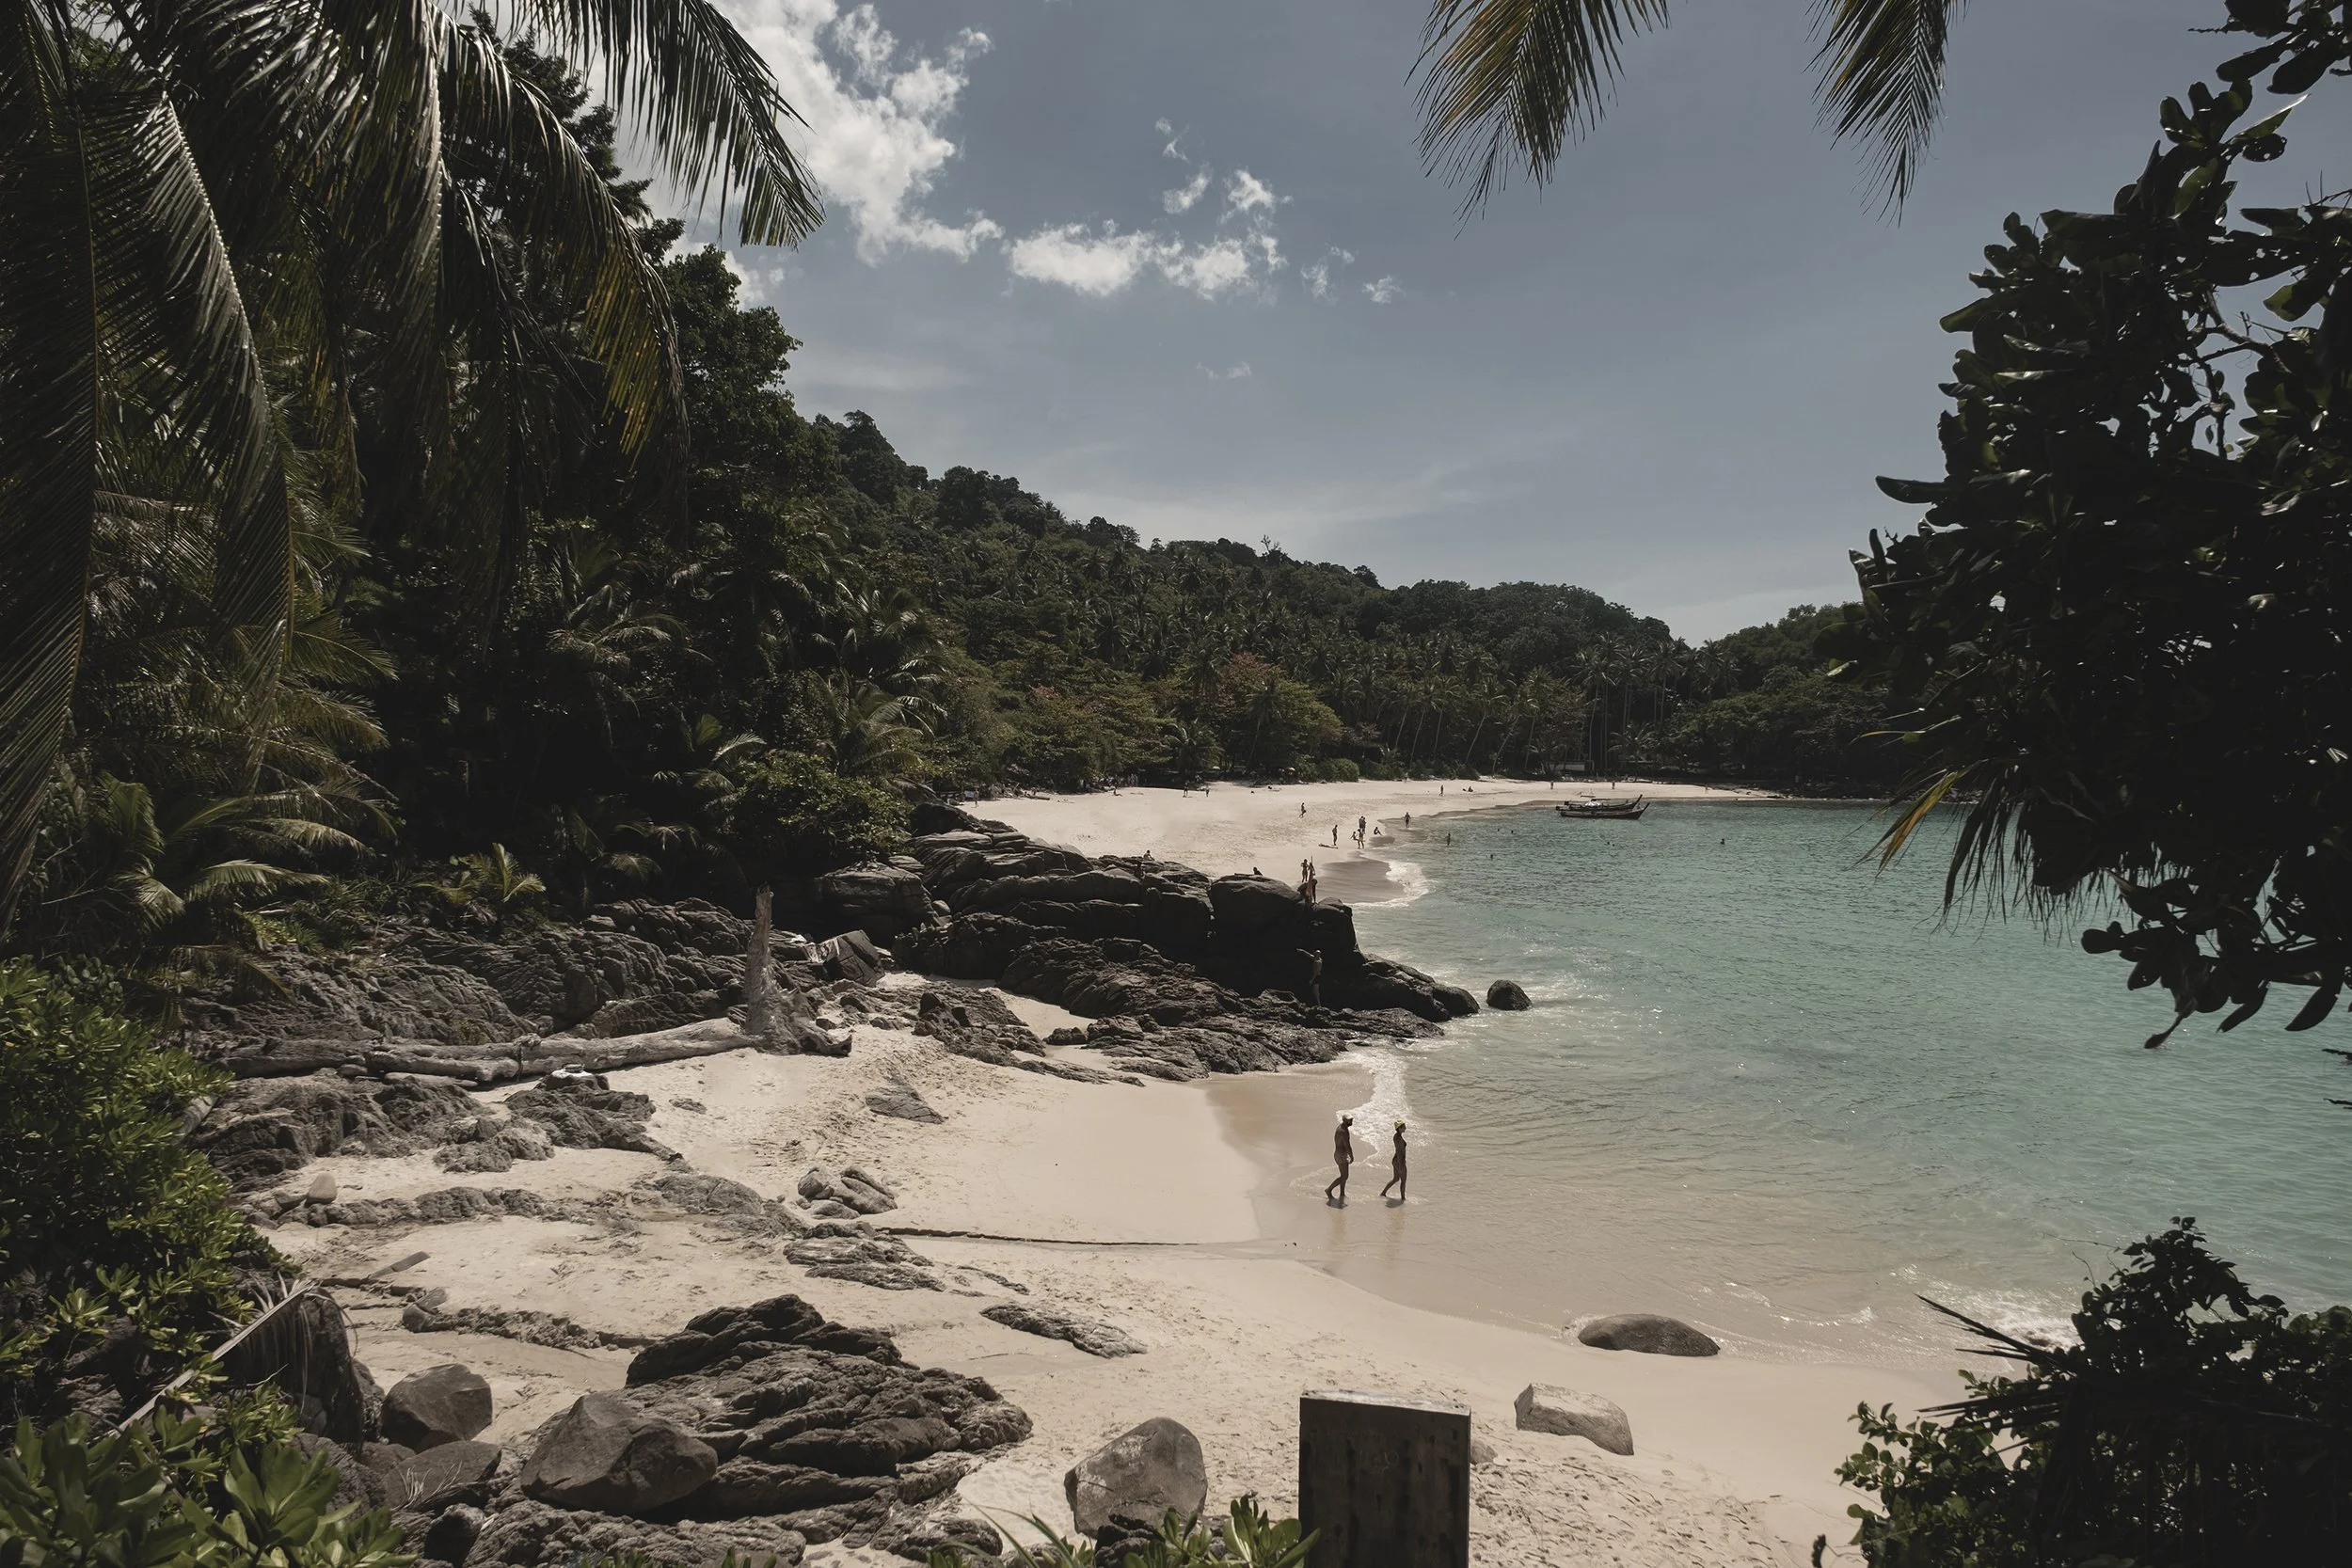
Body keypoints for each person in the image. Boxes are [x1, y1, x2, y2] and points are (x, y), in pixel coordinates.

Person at [1325, 1116, 1355, 1204]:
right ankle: (1329, 1190)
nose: (1352, 1121)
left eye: (1352, 1119)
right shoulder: (1344, 1131)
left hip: (1339, 1154)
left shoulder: (1341, 1127)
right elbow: (1347, 1145)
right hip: (1341, 1155)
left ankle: (1342, 1193)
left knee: (1343, 1175)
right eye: (1350, 1120)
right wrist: (1351, 1156)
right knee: (1344, 1176)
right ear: (1345, 1121)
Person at [1380, 1121, 1407, 1201]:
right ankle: (1403, 1198)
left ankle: (1383, 1193)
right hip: (1399, 1161)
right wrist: (1400, 1164)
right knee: (1403, 1180)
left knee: (1396, 1179)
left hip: (1396, 1160)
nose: (1405, 1128)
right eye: (1404, 1127)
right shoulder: (1398, 1138)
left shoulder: (1397, 1136)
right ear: (1399, 1128)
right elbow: (1399, 1152)